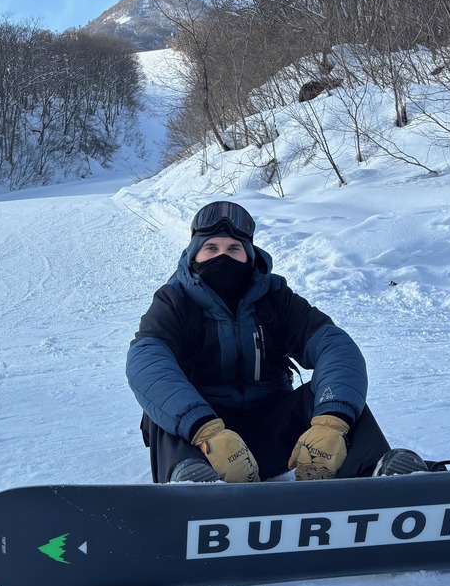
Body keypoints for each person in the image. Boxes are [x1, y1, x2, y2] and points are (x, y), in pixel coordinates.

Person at [127, 200, 433, 483]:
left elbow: (335, 346)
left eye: (234, 248)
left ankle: (383, 478)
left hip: (276, 436)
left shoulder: (274, 299)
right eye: (211, 248)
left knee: (336, 398)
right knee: (163, 411)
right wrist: (205, 429)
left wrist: (331, 423)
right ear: (194, 255)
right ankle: (191, 491)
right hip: (206, 449)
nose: (223, 256)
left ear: (249, 255)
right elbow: (147, 360)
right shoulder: (174, 301)